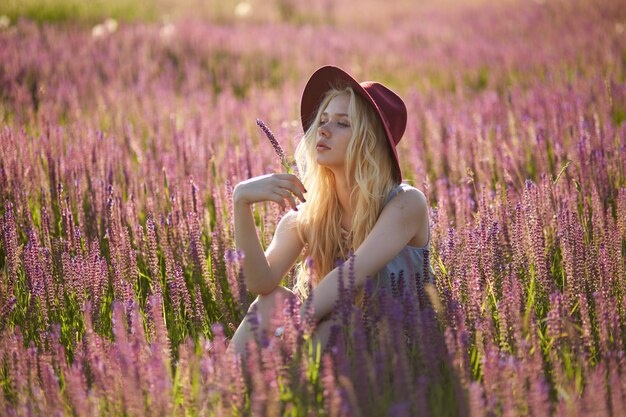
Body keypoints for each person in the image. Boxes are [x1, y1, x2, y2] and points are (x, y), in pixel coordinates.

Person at [228, 65, 431, 356]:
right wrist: (241, 200)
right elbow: (260, 282)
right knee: (270, 303)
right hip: (339, 341)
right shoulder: (310, 215)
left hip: (399, 352)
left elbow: (352, 273)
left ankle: (281, 389)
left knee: (332, 326)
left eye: (342, 123)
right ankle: (219, 394)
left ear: (369, 141)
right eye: (322, 120)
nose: (322, 129)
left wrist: (294, 328)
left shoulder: (406, 204)